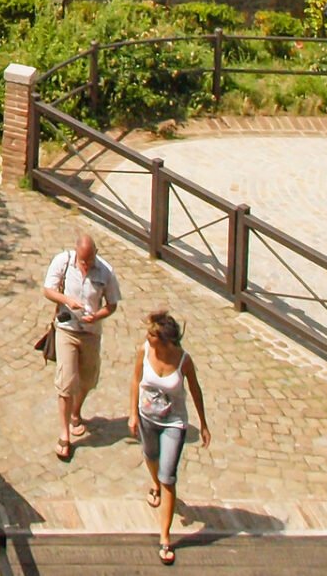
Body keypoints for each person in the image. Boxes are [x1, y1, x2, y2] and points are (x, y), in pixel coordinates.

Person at [127, 308, 211, 565]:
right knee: (150, 456)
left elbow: (195, 390)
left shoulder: (183, 360)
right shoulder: (145, 350)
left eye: (152, 334)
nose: (147, 336)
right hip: (147, 417)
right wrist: (132, 413)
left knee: (168, 475)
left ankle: (165, 537)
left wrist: (204, 425)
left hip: (174, 423)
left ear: (164, 340)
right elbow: (135, 379)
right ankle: (155, 484)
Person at [42, 231, 120, 460]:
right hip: (66, 330)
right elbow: (48, 290)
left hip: (91, 333)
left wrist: (97, 316)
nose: (86, 265)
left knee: (87, 379)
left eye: (90, 260)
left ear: (96, 254)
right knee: (66, 382)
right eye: (83, 261)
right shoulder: (63, 262)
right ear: (77, 254)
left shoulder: (106, 272)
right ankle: (64, 434)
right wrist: (67, 300)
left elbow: (112, 305)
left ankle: (76, 412)